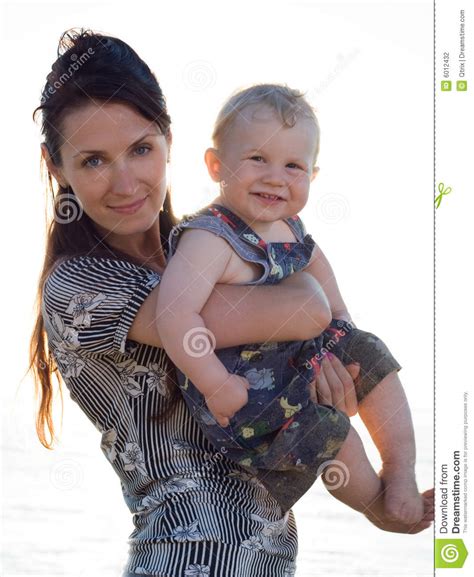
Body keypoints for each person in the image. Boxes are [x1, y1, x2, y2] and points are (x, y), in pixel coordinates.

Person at [29, 29, 433, 577]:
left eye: (140, 149)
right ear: (57, 169)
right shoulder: (80, 286)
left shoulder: (204, 246)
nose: (124, 181)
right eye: (94, 161)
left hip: (262, 557)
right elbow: (309, 309)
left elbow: (309, 345)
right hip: (188, 555)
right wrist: (306, 295)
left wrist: (330, 387)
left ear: (169, 141)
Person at [156, 84, 430, 520]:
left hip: (300, 364)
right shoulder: (210, 237)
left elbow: (335, 305)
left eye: (293, 165)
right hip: (249, 396)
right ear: (215, 164)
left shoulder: (292, 228)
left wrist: (346, 351)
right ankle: (376, 506)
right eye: (257, 158)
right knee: (331, 434)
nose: (274, 176)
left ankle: (399, 470)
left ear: (312, 176)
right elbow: (172, 313)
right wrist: (214, 382)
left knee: (372, 352)